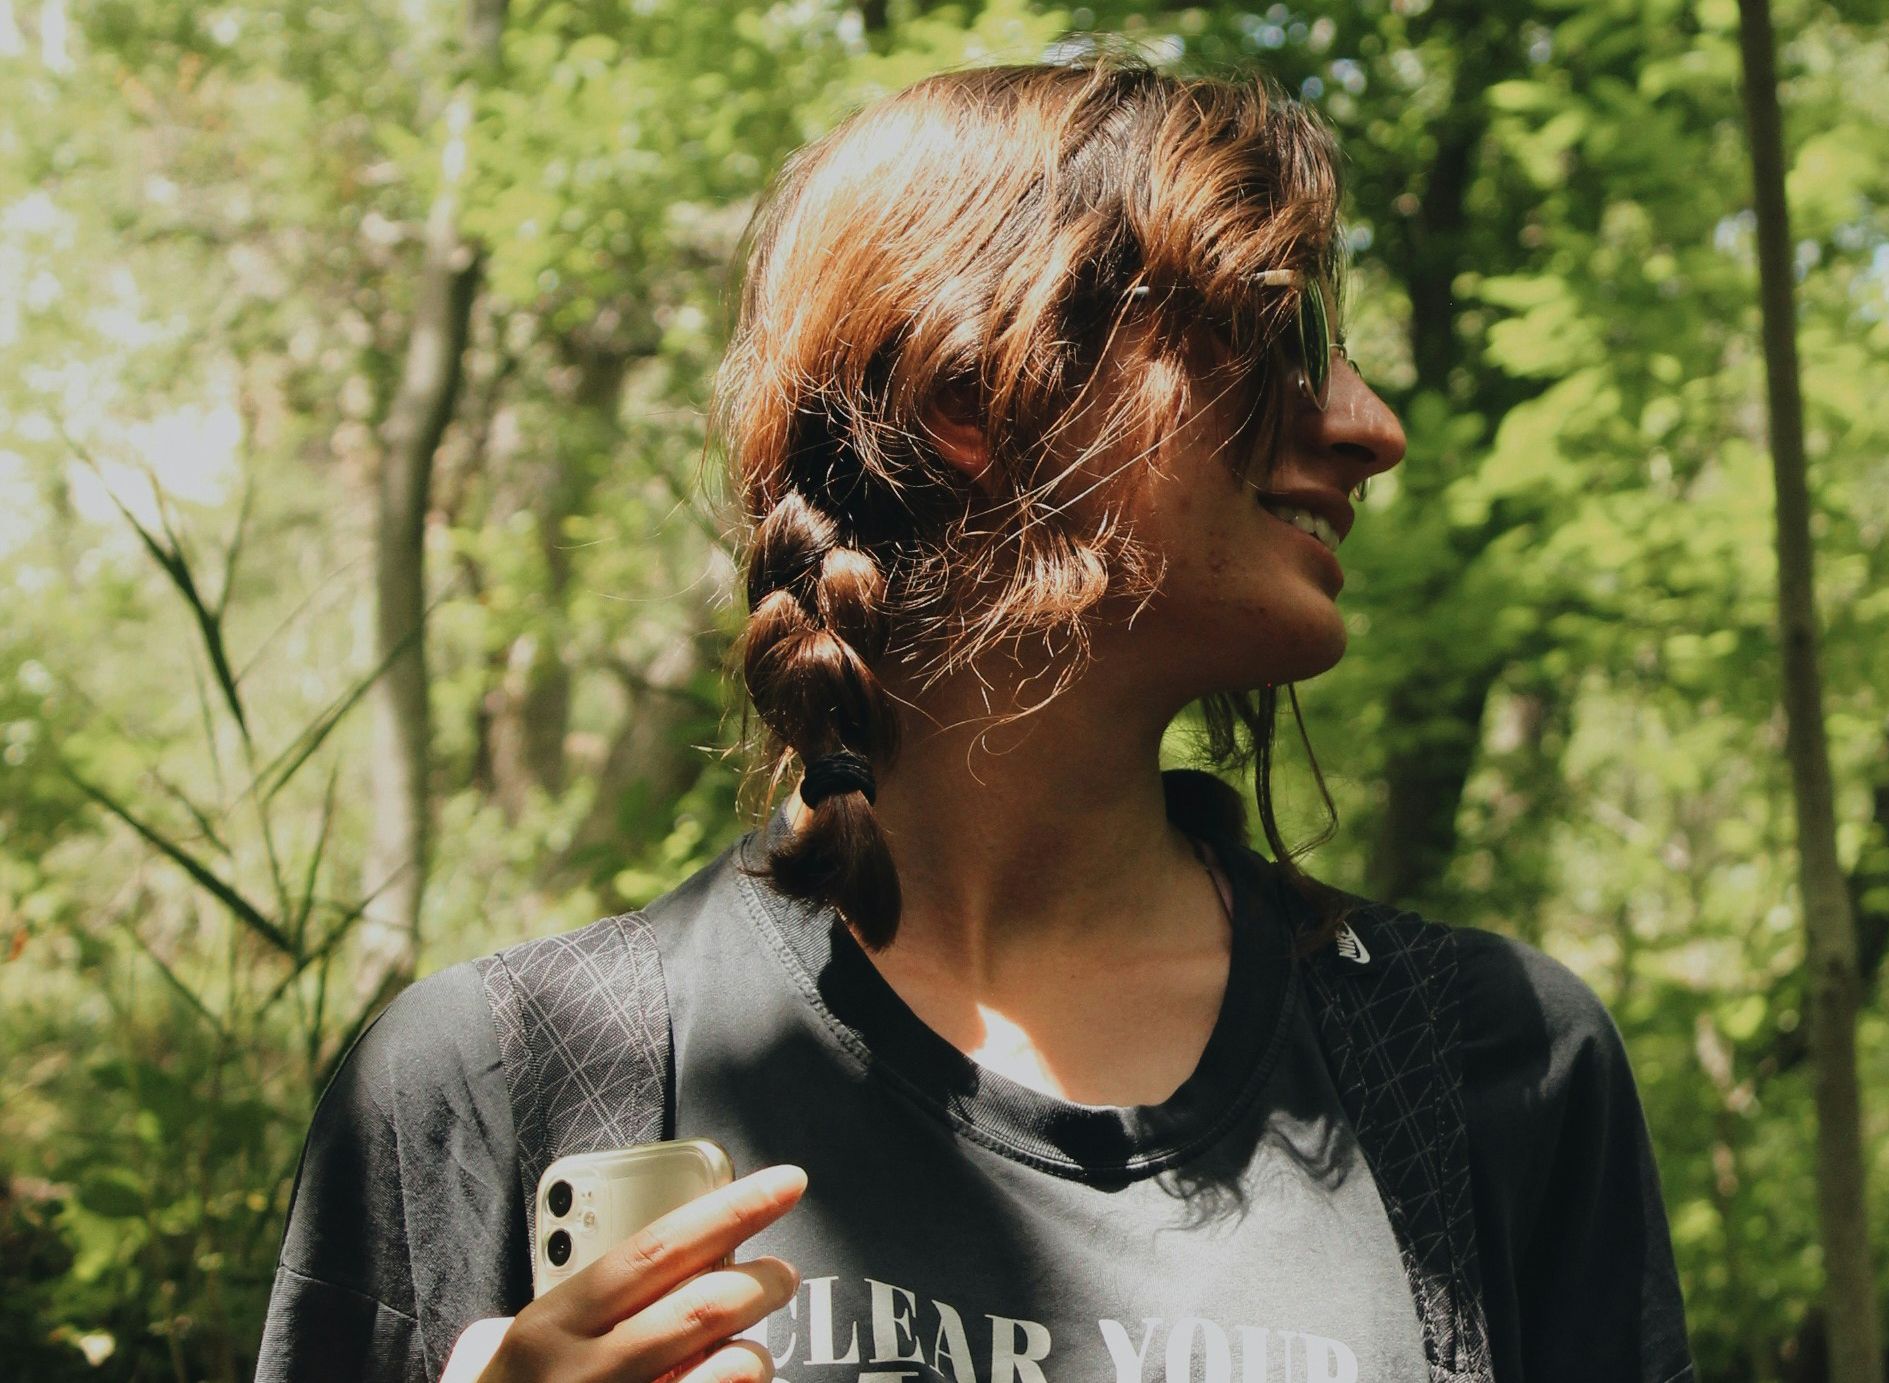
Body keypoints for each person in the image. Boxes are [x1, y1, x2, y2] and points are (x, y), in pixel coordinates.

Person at [253, 56, 1694, 1383]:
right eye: (1277, 331)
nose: (1372, 423)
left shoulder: (1492, 1064)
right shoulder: (498, 1080)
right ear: (972, 388)